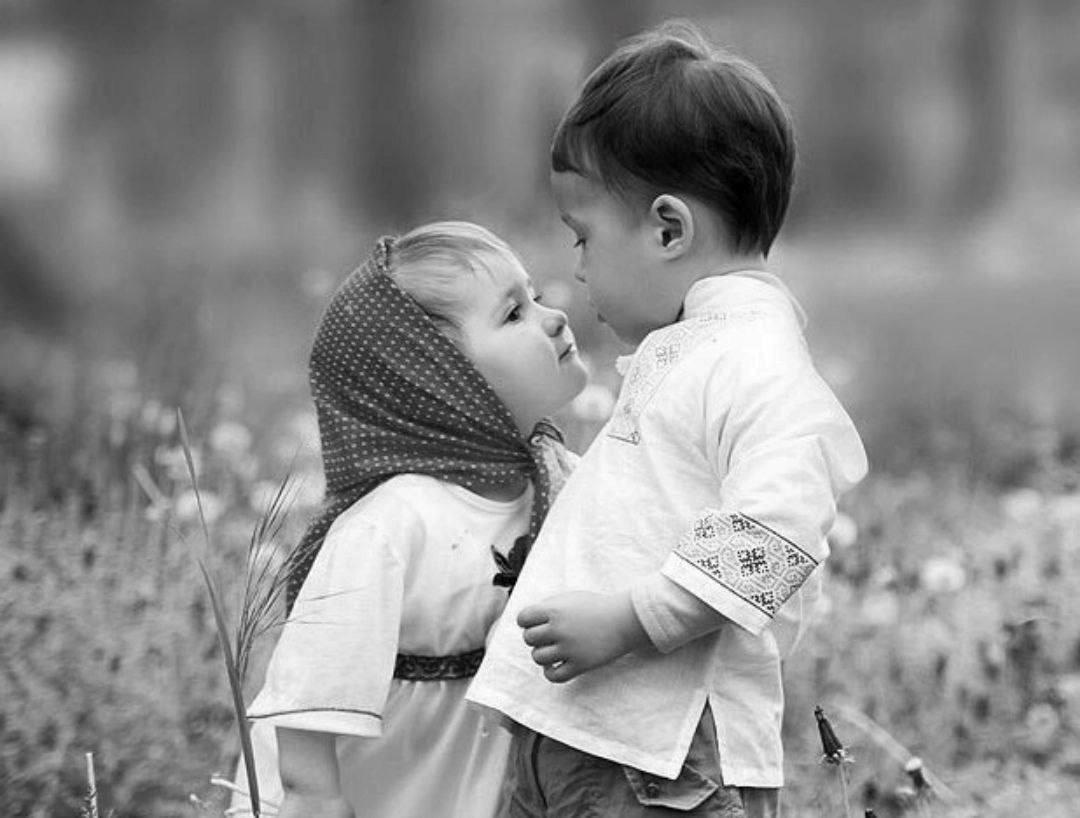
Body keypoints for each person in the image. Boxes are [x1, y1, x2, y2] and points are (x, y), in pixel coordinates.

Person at [466, 20, 868, 818]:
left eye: (584, 238)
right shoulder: (698, 346)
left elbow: (774, 539)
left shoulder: (755, 361)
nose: (578, 269)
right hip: (592, 736)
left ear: (668, 229)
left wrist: (629, 618)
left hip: (664, 756)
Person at [231, 221, 588, 818]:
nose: (552, 318)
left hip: (457, 782)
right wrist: (313, 795)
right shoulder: (393, 522)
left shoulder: (561, 479)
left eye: (536, 298)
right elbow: (312, 674)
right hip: (350, 787)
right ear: (440, 380)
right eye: (513, 314)